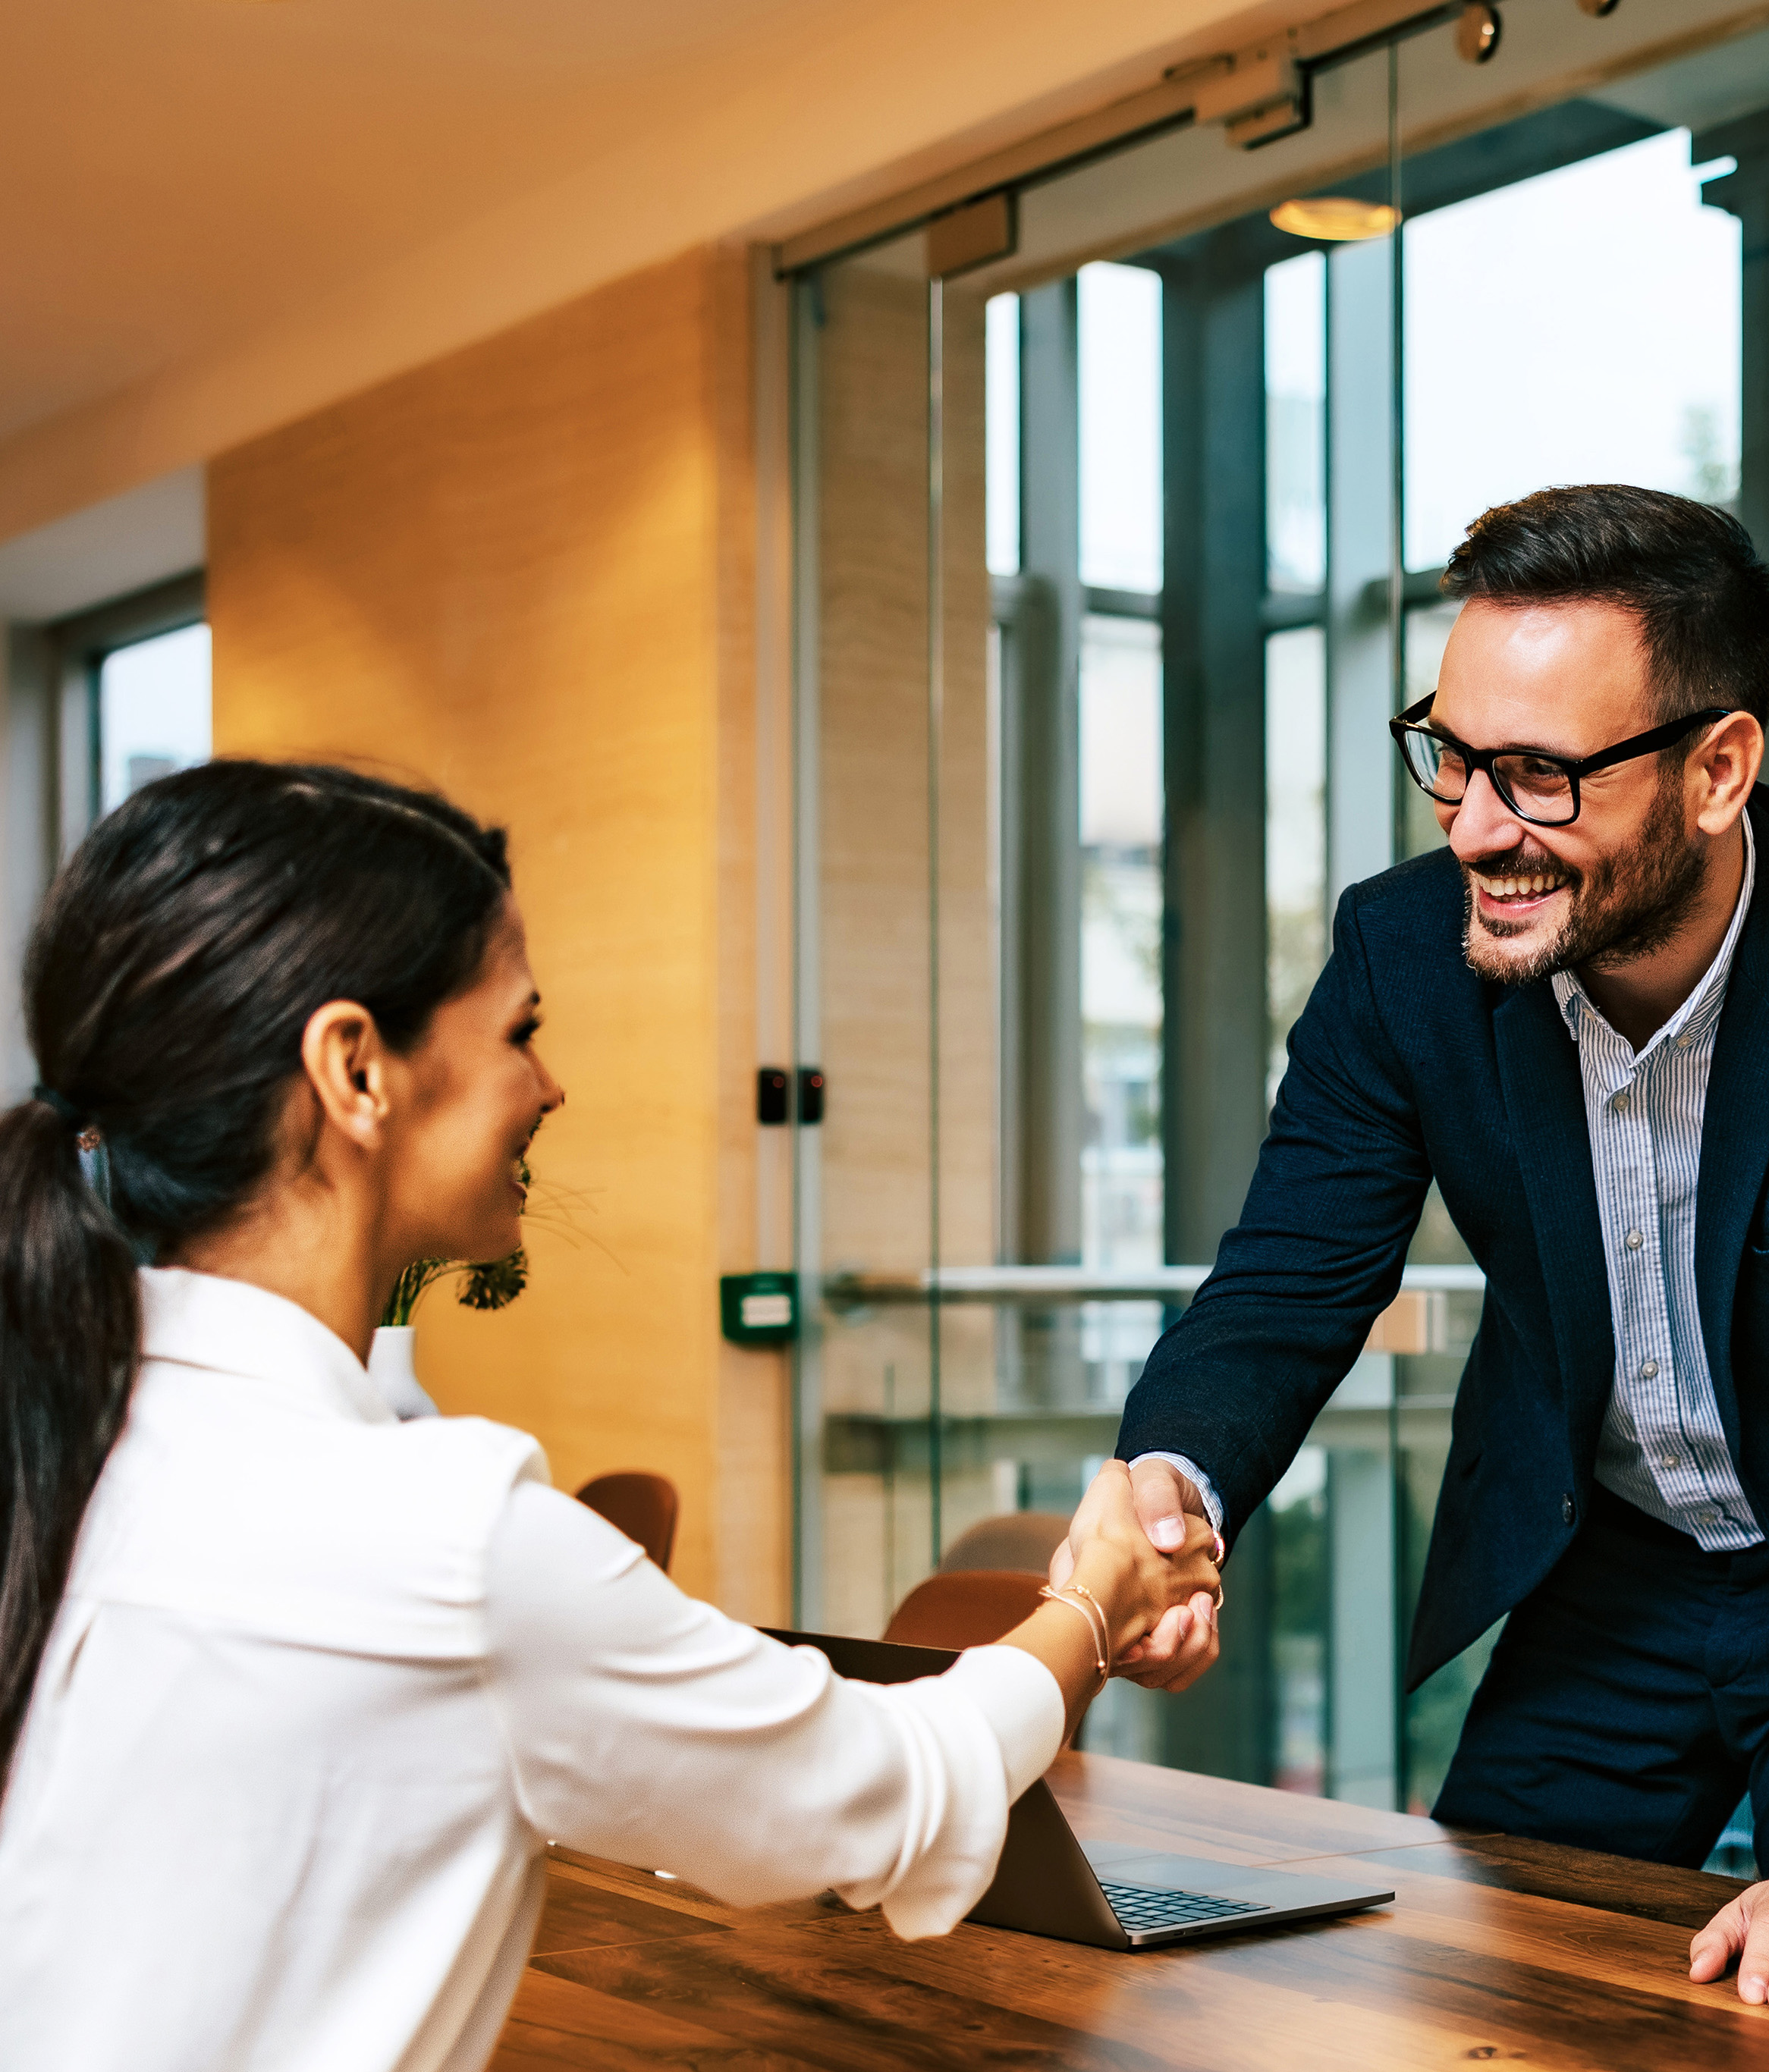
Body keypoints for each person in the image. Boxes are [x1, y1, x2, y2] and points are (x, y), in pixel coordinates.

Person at [0, 762, 1221, 2071]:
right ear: (355, 1068)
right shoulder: (443, 1545)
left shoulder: (80, 1446)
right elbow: (895, 1794)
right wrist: (1094, 1601)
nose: (549, 1087)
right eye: (519, 1030)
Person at [1100, 484, 1769, 2011]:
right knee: (1482, 1984)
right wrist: (1167, 1496)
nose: (1474, 826)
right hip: (1617, 1560)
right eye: (1451, 757)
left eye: (1537, 775)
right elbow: (1289, 1276)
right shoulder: (1401, 958)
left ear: (1717, 771)